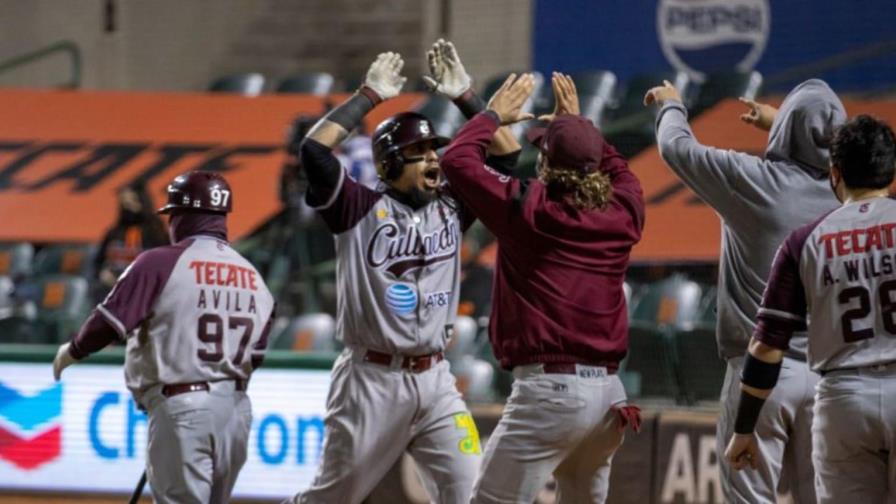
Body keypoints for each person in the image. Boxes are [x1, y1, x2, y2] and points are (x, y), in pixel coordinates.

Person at [284, 49, 519, 504]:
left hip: (436, 381)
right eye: (419, 152)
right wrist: (369, 96)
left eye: (435, 149)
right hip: (370, 381)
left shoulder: (454, 204)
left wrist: (467, 97)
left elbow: (507, 159)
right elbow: (313, 149)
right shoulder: (357, 208)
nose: (433, 159)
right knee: (331, 499)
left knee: (475, 493)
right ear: (389, 163)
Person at [440, 72, 645, 503]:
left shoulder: (530, 208)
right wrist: (582, 129)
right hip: (609, 395)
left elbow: (457, 160)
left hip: (551, 392)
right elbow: (619, 170)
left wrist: (493, 114)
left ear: (547, 164)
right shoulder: (625, 210)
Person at [644, 78, 847, 503]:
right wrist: (789, 128)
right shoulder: (850, 198)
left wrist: (671, 106)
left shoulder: (753, 180)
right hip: (829, 377)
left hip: (761, 376)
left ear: (787, 129)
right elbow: (840, 145)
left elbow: (676, 149)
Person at [52, 171, 276, 504]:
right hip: (236, 411)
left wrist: (72, 351)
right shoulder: (254, 277)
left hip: (183, 404)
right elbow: (254, 357)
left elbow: (108, 323)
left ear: (182, 216)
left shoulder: (160, 262)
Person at [724, 115, 896, 502]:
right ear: (892, 172)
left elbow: (766, 348)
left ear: (834, 173)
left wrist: (745, 428)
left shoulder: (805, 240)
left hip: (844, 397)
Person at [92, 182, 168, 302]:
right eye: (124, 203)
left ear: (142, 201)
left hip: (146, 290)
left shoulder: (156, 232)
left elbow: (165, 264)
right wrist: (103, 274)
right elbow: (98, 262)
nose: (128, 206)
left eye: (132, 202)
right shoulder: (114, 232)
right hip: (113, 289)